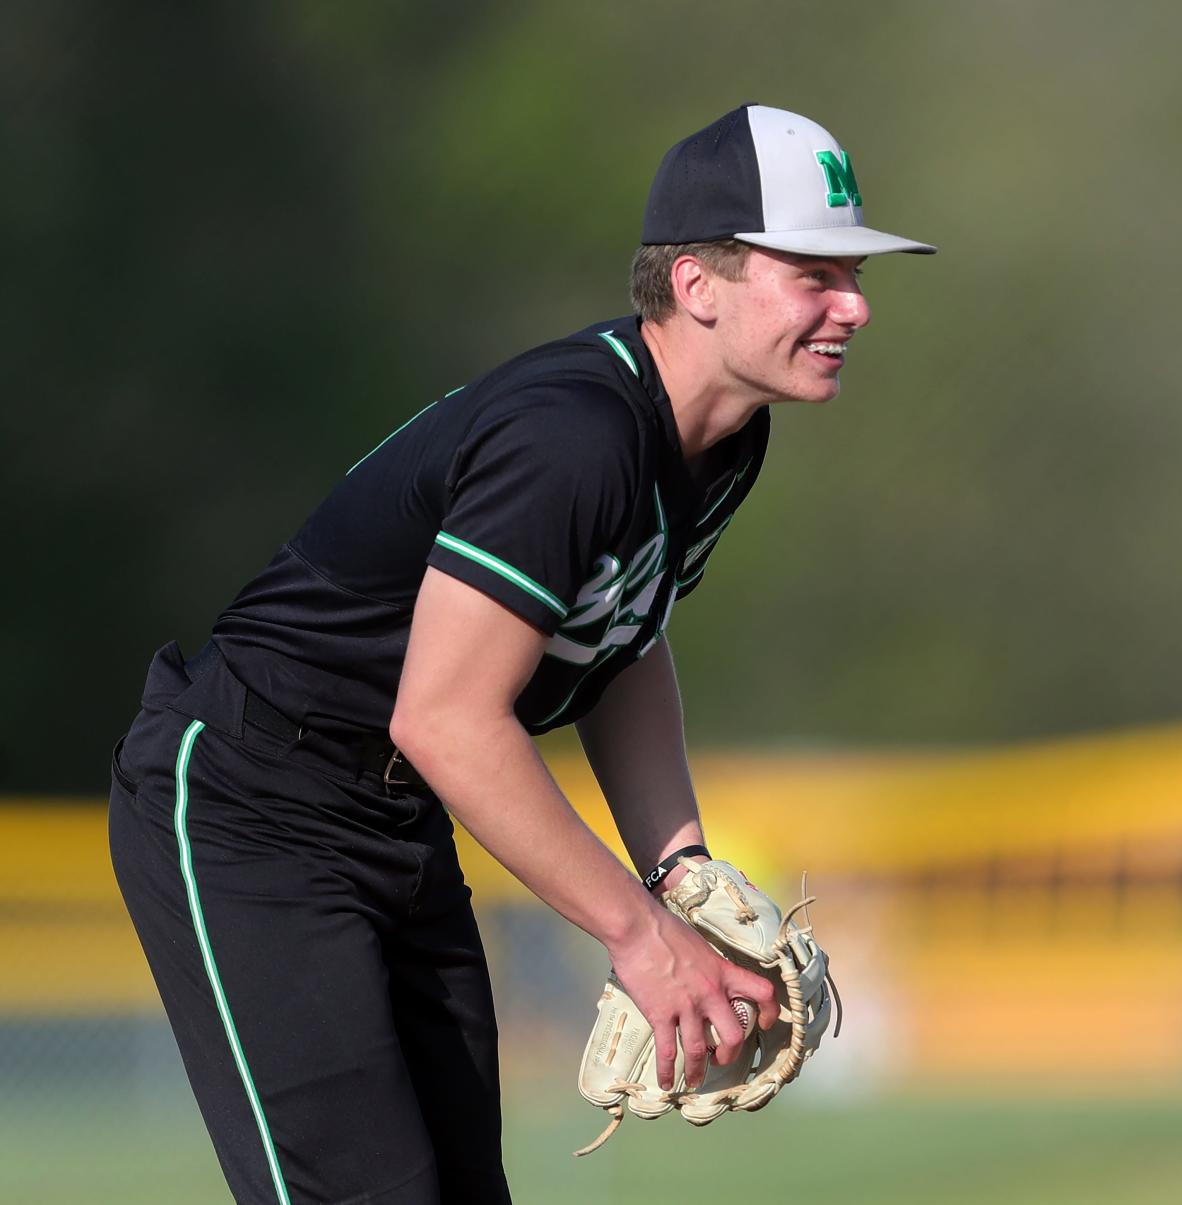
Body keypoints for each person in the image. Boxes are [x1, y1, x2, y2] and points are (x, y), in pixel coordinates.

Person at [108, 102, 934, 1205]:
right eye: (814, 273)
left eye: (854, 274)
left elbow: (623, 636)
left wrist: (680, 870)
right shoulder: (574, 437)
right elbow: (444, 718)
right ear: (698, 283)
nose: (854, 306)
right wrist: (641, 937)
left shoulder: (724, 438)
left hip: (390, 814)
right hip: (252, 803)